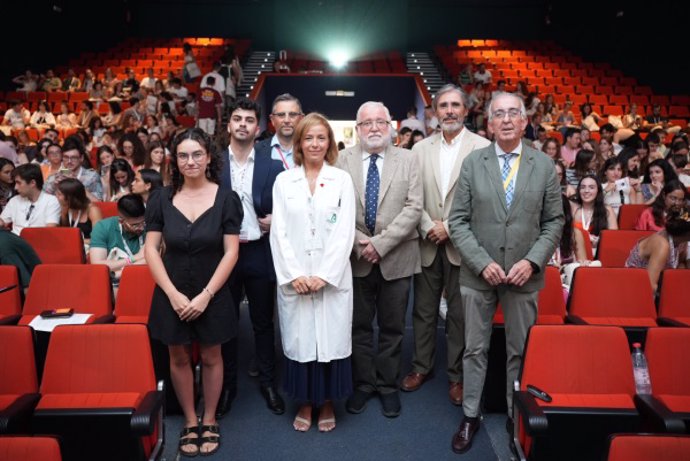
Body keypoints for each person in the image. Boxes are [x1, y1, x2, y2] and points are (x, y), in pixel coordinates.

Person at [447, 92, 564, 454]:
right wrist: (483, 262)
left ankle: (516, 416)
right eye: (499, 114)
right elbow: (458, 221)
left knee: (520, 350)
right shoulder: (472, 163)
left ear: (525, 121)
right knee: (474, 348)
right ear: (489, 123)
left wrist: (531, 261)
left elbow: (554, 221)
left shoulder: (543, 165)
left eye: (514, 112)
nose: (508, 119)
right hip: (478, 274)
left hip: (523, 275)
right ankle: (470, 415)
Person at [145, 128, 242, 457]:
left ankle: (210, 418)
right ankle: (189, 420)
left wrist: (206, 295)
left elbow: (231, 253)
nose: (191, 161)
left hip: (211, 291)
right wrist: (172, 294)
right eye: (184, 155)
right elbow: (150, 249)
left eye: (197, 154)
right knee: (179, 357)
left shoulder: (226, 198)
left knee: (213, 357)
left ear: (209, 157)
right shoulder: (161, 197)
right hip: (171, 289)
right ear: (175, 160)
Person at [402, 84, 490, 406]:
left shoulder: (483, 147)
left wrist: (450, 228)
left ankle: (456, 376)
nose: (449, 111)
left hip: (462, 245)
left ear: (466, 111)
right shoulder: (419, 150)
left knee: (458, 315)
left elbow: (484, 199)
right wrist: (429, 226)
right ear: (434, 112)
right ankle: (421, 367)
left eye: (455, 105)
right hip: (426, 241)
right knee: (423, 311)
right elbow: (412, 196)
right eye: (443, 106)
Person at [271, 112, 356, 432]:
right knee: (301, 340)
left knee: (330, 340)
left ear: (330, 143)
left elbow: (345, 230)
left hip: (331, 279)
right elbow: (278, 232)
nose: (315, 143)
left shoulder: (341, 179)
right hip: (296, 278)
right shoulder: (284, 181)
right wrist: (295, 275)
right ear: (299, 143)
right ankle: (305, 402)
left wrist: (324, 275)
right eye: (309, 138)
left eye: (321, 137)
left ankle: (329, 402)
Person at [337, 101, 422, 419]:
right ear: (357, 129)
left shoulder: (409, 159)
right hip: (356, 256)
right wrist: (362, 245)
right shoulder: (341, 159)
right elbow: (337, 206)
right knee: (358, 326)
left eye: (380, 122)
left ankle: (387, 386)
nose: (374, 127)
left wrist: (381, 245)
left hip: (397, 257)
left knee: (393, 327)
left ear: (391, 126)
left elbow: (414, 208)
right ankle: (363, 383)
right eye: (366, 123)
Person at [217, 98, 286, 419]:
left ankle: (269, 384)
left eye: (249, 120)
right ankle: (228, 386)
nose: (242, 124)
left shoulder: (272, 165)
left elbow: (288, 208)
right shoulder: (213, 164)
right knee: (227, 323)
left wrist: (277, 219)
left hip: (259, 250)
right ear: (229, 125)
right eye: (237, 119)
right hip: (223, 254)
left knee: (262, 322)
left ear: (257, 129)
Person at [625, 207, 690, 292]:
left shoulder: (682, 241)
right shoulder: (661, 244)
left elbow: (681, 264)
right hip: (635, 288)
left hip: (661, 288)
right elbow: (650, 286)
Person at [89, 194, 147, 280]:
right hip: (114, 283)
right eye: (135, 225)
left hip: (144, 277)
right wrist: (134, 258)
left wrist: (119, 273)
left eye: (143, 222)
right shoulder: (102, 227)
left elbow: (156, 259)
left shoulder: (151, 225)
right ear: (121, 221)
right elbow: (98, 266)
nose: (141, 228)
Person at [0, 163, 61, 235]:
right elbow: (2, 222)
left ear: (32, 183)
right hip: (15, 242)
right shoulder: (14, 200)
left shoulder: (51, 201)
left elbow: (50, 230)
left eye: (18, 183)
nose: (15, 188)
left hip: (38, 242)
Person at [43, 136, 103, 201]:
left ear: (81, 158)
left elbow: (98, 202)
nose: (69, 161)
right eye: (66, 157)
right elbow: (42, 201)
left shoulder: (92, 176)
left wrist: (78, 185)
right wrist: (53, 186)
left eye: (73, 157)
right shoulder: (55, 176)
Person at [256, 94, 304, 169]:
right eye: (281, 115)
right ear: (272, 120)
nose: (287, 120)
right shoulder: (256, 151)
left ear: (301, 119)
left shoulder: (311, 149)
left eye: (292, 115)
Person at [571, 174, 618, 249]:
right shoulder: (572, 208)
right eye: (583, 187)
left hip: (598, 252)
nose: (586, 191)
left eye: (591, 187)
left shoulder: (607, 210)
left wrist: (599, 241)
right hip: (575, 252)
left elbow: (613, 238)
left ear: (598, 191)